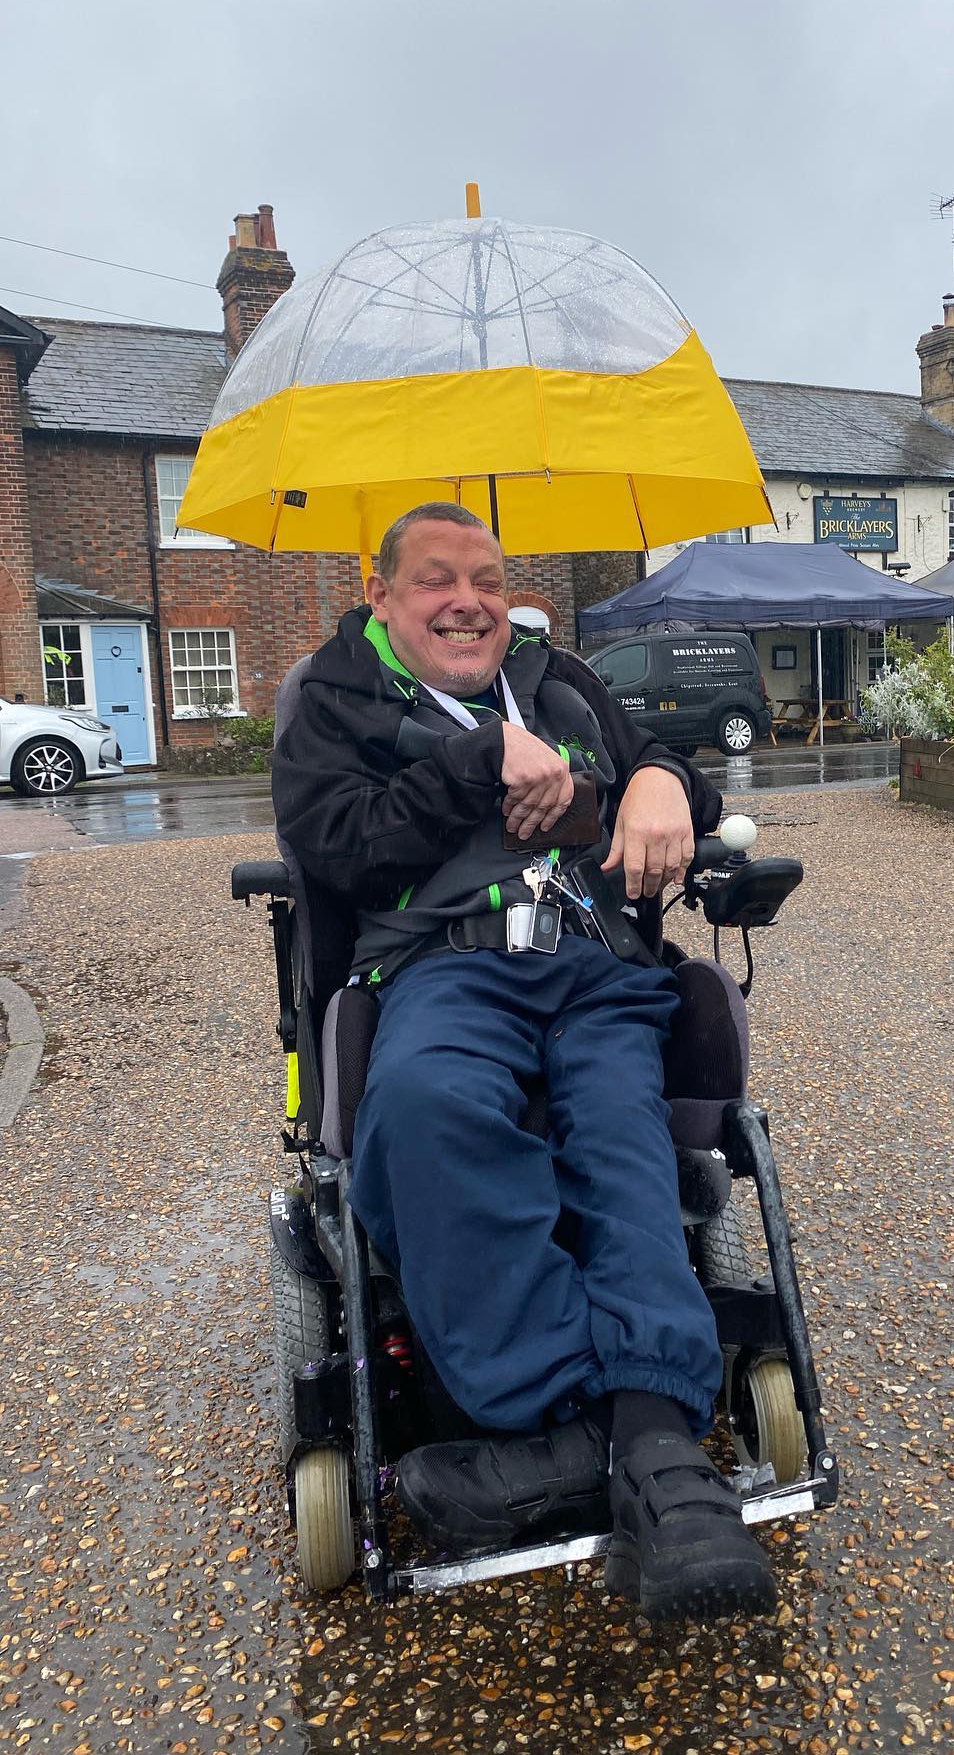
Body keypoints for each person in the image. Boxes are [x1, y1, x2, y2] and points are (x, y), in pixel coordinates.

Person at [272, 501, 776, 1622]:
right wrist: (470, 763)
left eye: (490, 580)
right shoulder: (333, 701)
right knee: (424, 1103)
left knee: (620, 1131)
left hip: (593, 960)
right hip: (443, 966)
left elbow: (665, 768)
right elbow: (335, 848)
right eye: (438, 580)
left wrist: (664, 787)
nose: (469, 601)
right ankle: (629, 1433)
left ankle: (608, 1443)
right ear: (384, 598)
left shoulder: (562, 684)